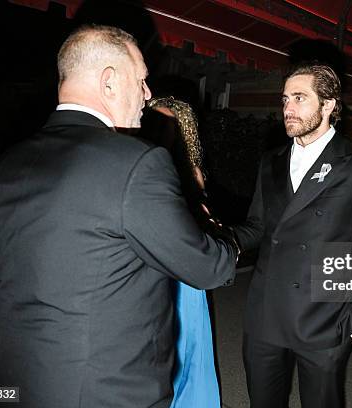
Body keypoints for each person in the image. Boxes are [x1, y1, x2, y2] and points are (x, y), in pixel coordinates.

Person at [0, 25, 238, 407]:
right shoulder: (138, 162)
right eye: (143, 81)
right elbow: (207, 268)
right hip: (100, 391)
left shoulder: (9, 161)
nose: (147, 95)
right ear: (110, 82)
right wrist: (229, 241)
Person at [233, 63, 352, 408]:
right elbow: (257, 226)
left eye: (300, 98)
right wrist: (220, 241)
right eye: (285, 99)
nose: (288, 109)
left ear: (329, 105)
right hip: (265, 317)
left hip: (324, 320)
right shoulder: (270, 161)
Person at [147, 96, 221, 408]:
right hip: (149, 266)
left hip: (182, 275)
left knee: (186, 346)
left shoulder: (191, 173)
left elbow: (202, 224)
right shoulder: (138, 164)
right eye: (156, 121)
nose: (161, 130)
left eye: (169, 124)